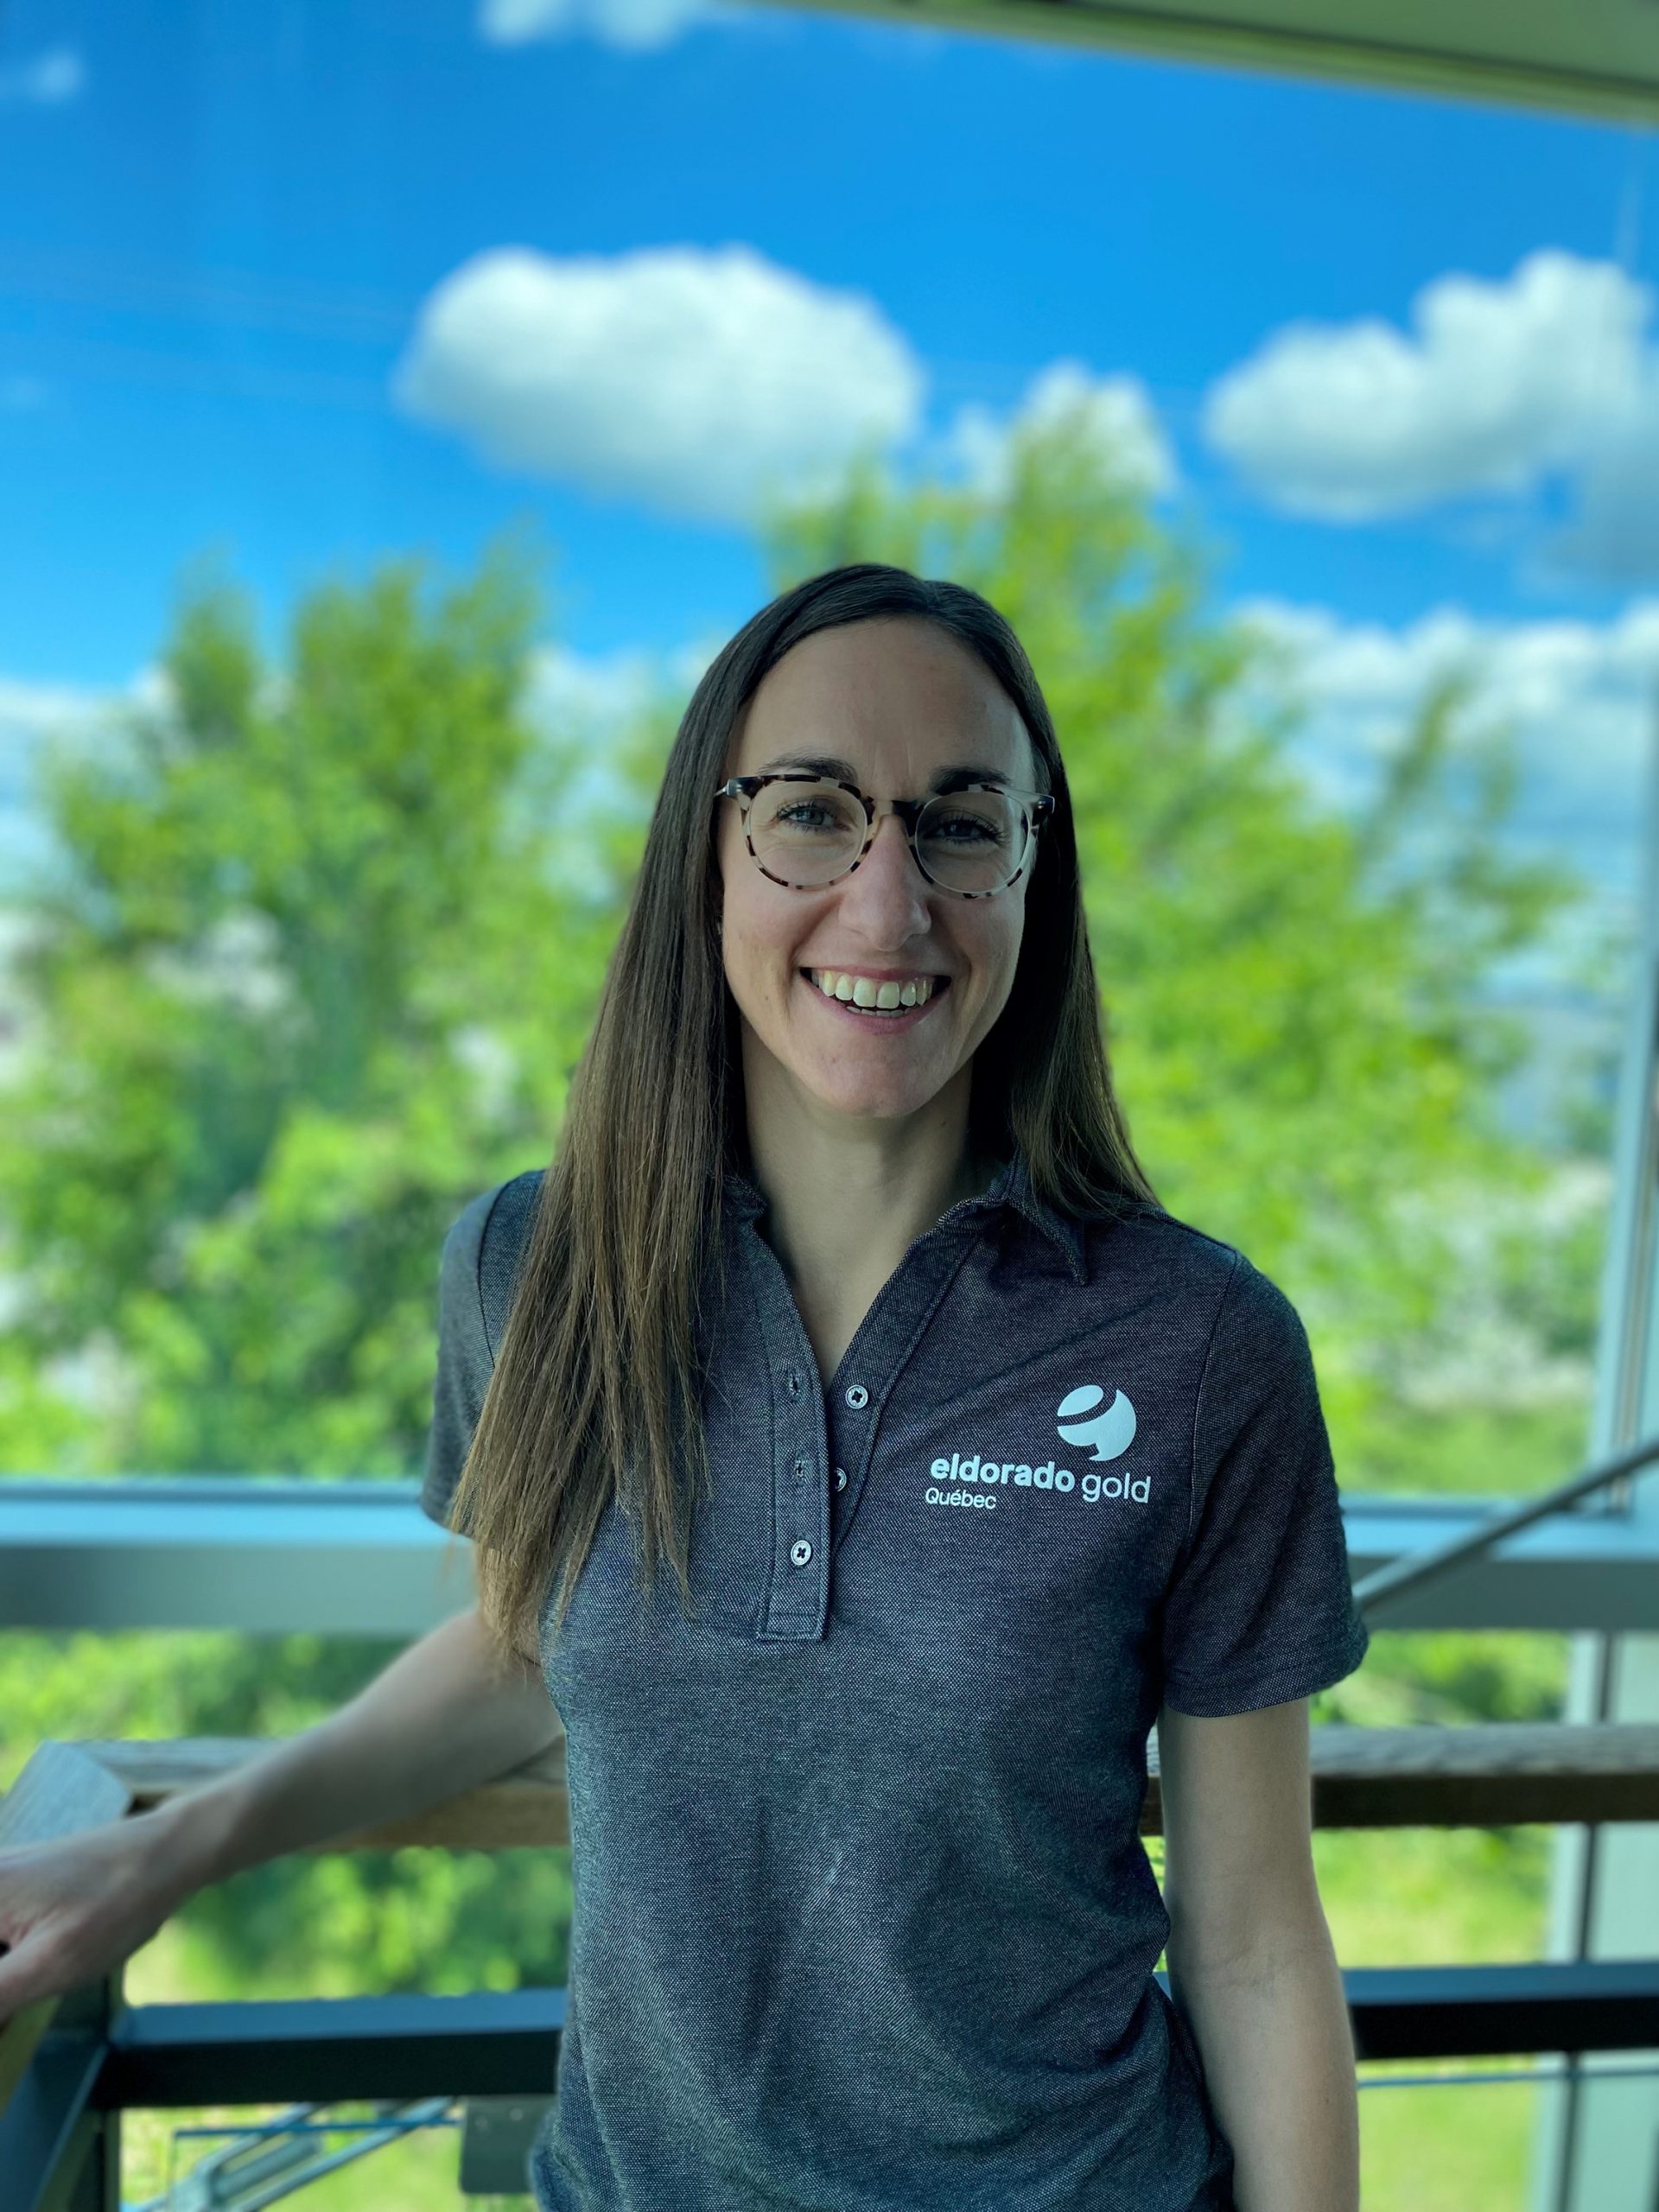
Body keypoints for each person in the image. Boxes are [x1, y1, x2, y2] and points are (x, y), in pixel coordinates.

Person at [0, 562, 1370, 2212]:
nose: (888, 907)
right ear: (706, 852)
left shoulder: (1198, 1343)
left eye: (960, 823)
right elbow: (527, 1643)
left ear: (1031, 870)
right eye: (812, 813)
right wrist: (166, 1851)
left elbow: (1253, 1937)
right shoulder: (534, 1271)